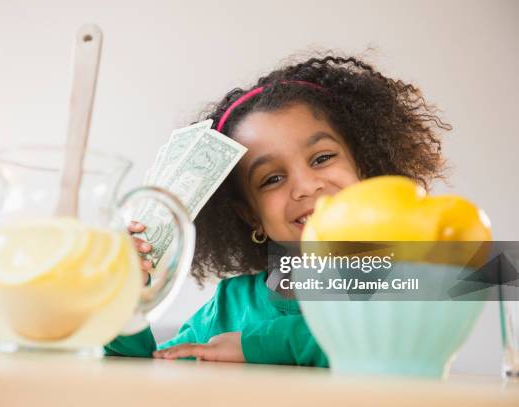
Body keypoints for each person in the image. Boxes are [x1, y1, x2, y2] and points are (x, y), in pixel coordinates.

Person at [103, 52, 448, 365]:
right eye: (271, 179)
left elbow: (390, 342)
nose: (305, 186)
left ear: (364, 168)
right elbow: (151, 371)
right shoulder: (229, 306)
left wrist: (257, 346)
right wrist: (123, 301)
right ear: (251, 215)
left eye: (322, 158)